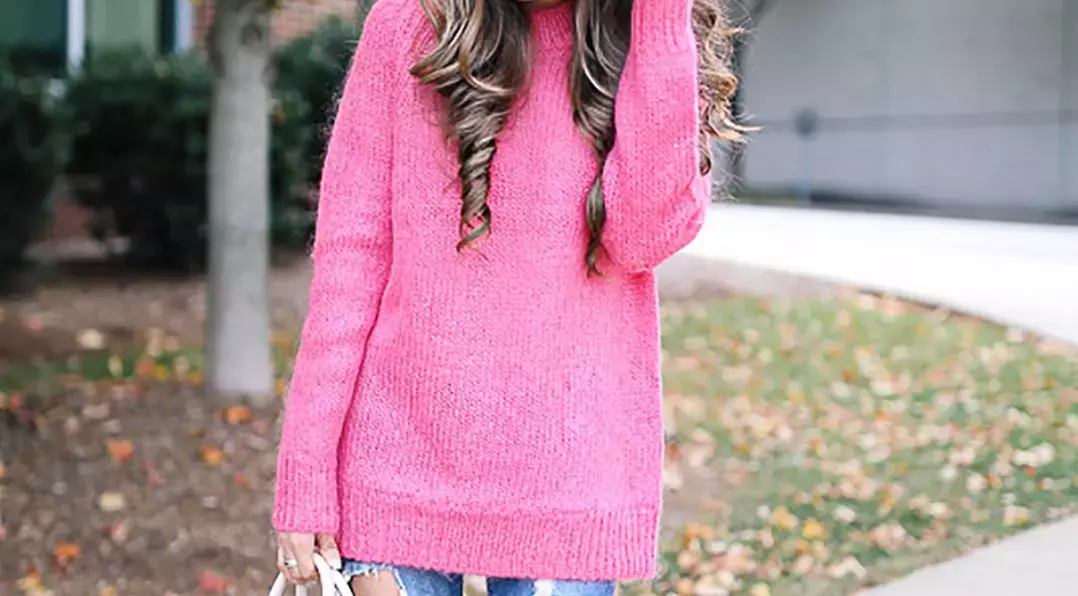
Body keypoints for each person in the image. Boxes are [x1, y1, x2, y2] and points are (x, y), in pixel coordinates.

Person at [272, 0, 742, 591]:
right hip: (393, 472)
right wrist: (306, 473)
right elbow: (350, 262)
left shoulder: (644, 35)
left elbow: (642, 238)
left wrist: (660, 22)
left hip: (567, 490)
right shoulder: (407, 21)